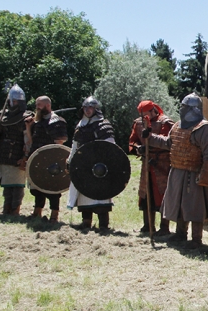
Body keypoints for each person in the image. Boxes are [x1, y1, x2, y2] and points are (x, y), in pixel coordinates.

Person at [147, 93, 208, 249]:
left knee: (194, 206)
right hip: (177, 170)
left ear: (193, 109)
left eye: (184, 107)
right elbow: (169, 143)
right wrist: (150, 137)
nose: (181, 109)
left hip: (194, 172)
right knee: (179, 203)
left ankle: (196, 239)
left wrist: (205, 173)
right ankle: (180, 233)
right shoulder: (177, 126)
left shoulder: (203, 128)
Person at [68, 96, 117, 232]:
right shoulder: (80, 125)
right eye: (85, 107)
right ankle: (86, 223)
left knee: (100, 195)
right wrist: (70, 160)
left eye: (90, 107)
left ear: (96, 109)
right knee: (84, 193)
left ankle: (103, 225)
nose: (87, 110)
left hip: (99, 166)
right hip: (83, 165)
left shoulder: (103, 125)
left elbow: (110, 147)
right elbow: (75, 145)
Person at [128, 100, 174, 235]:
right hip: (146, 163)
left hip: (162, 164)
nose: (143, 118)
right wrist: (138, 148)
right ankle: (148, 226)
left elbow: (168, 141)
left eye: (146, 114)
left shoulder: (165, 122)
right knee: (146, 193)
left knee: (163, 194)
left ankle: (164, 228)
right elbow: (132, 141)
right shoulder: (138, 123)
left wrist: (152, 143)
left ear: (153, 110)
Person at [25, 96, 68, 222]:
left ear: (48, 106)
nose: (37, 107)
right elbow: (33, 141)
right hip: (38, 159)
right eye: (37, 104)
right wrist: (29, 127)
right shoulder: (37, 122)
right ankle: (37, 211)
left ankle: (54, 214)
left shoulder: (57, 121)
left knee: (53, 188)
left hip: (51, 160)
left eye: (40, 105)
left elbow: (60, 142)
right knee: (37, 187)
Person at [0, 84, 33, 215]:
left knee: (16, 184)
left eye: (16, 100)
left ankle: (15, 209)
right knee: (6, 183)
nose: (13, 103)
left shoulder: (26, 116)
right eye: (12, 100)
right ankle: (6, 208)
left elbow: (28, 139)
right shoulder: (2, 115)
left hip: (17, 152)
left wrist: (26, 156)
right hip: (3, 152)